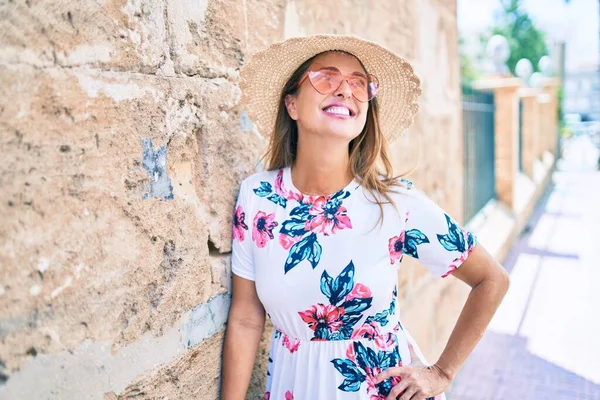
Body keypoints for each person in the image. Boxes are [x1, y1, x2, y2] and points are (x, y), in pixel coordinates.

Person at [221, 34, 510, 400]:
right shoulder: (257, 198)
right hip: (291, 386)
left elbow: (491, 279)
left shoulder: (395, 203)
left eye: (359, 84)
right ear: (291, 104)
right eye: (326, 77)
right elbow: (246, 316)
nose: (345, 91)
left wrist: (442, 372)